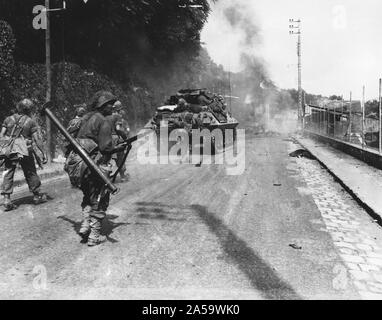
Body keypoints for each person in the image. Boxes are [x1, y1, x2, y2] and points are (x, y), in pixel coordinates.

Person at [65, 91, 125, 246]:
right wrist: (118, 148)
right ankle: (94, 235)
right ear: (102, 106)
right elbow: (106, 148)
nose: (112, 107)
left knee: (88, 196)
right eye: (110, 104)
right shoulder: (103, 122)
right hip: (94, 165)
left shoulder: (84, 118)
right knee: (100, 197)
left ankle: (85, 226)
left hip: (77, 165)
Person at [0, 99, 48, 211]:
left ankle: (7, 199)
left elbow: (1, 135)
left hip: (11, 150)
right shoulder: (30, 121)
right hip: (25, 149)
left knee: (8, 172)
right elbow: (37, 139)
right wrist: (43, 152)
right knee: (30, 172)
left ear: (18, 107)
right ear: (29, 110)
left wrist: (4, 148)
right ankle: (36, 195)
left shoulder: (8, 119)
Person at [107, 100, 129, 182]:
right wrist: (124, 137)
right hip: (115, 139)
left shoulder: (105, 117)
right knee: (120, 157)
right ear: (118, 109)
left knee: (106, 159)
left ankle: (106, 177)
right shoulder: (117, 117)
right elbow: (118, 129)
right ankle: (123, 176)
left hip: (105, 139)